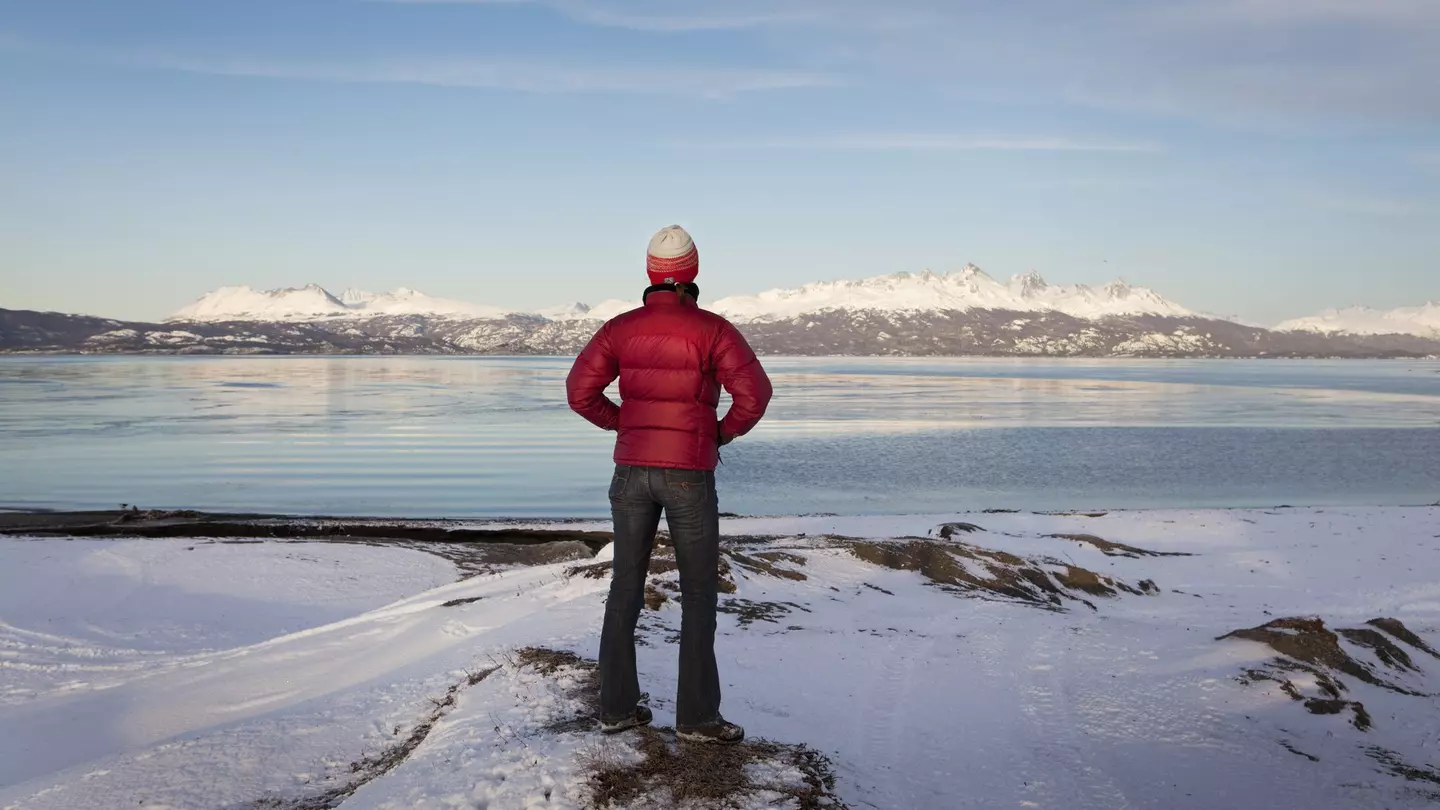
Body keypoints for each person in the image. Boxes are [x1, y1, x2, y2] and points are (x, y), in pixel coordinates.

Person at [566, 225, 773, 744]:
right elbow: (756, 395)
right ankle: (698, 719)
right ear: (692, 273)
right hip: (688, 474)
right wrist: (714, 435)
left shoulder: (620, 327)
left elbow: (579, 391)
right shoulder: (713, 330)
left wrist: (626, 425)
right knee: (699, 593)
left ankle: (615, 707)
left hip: (631, 471)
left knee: (624, 587)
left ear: (651, 274)